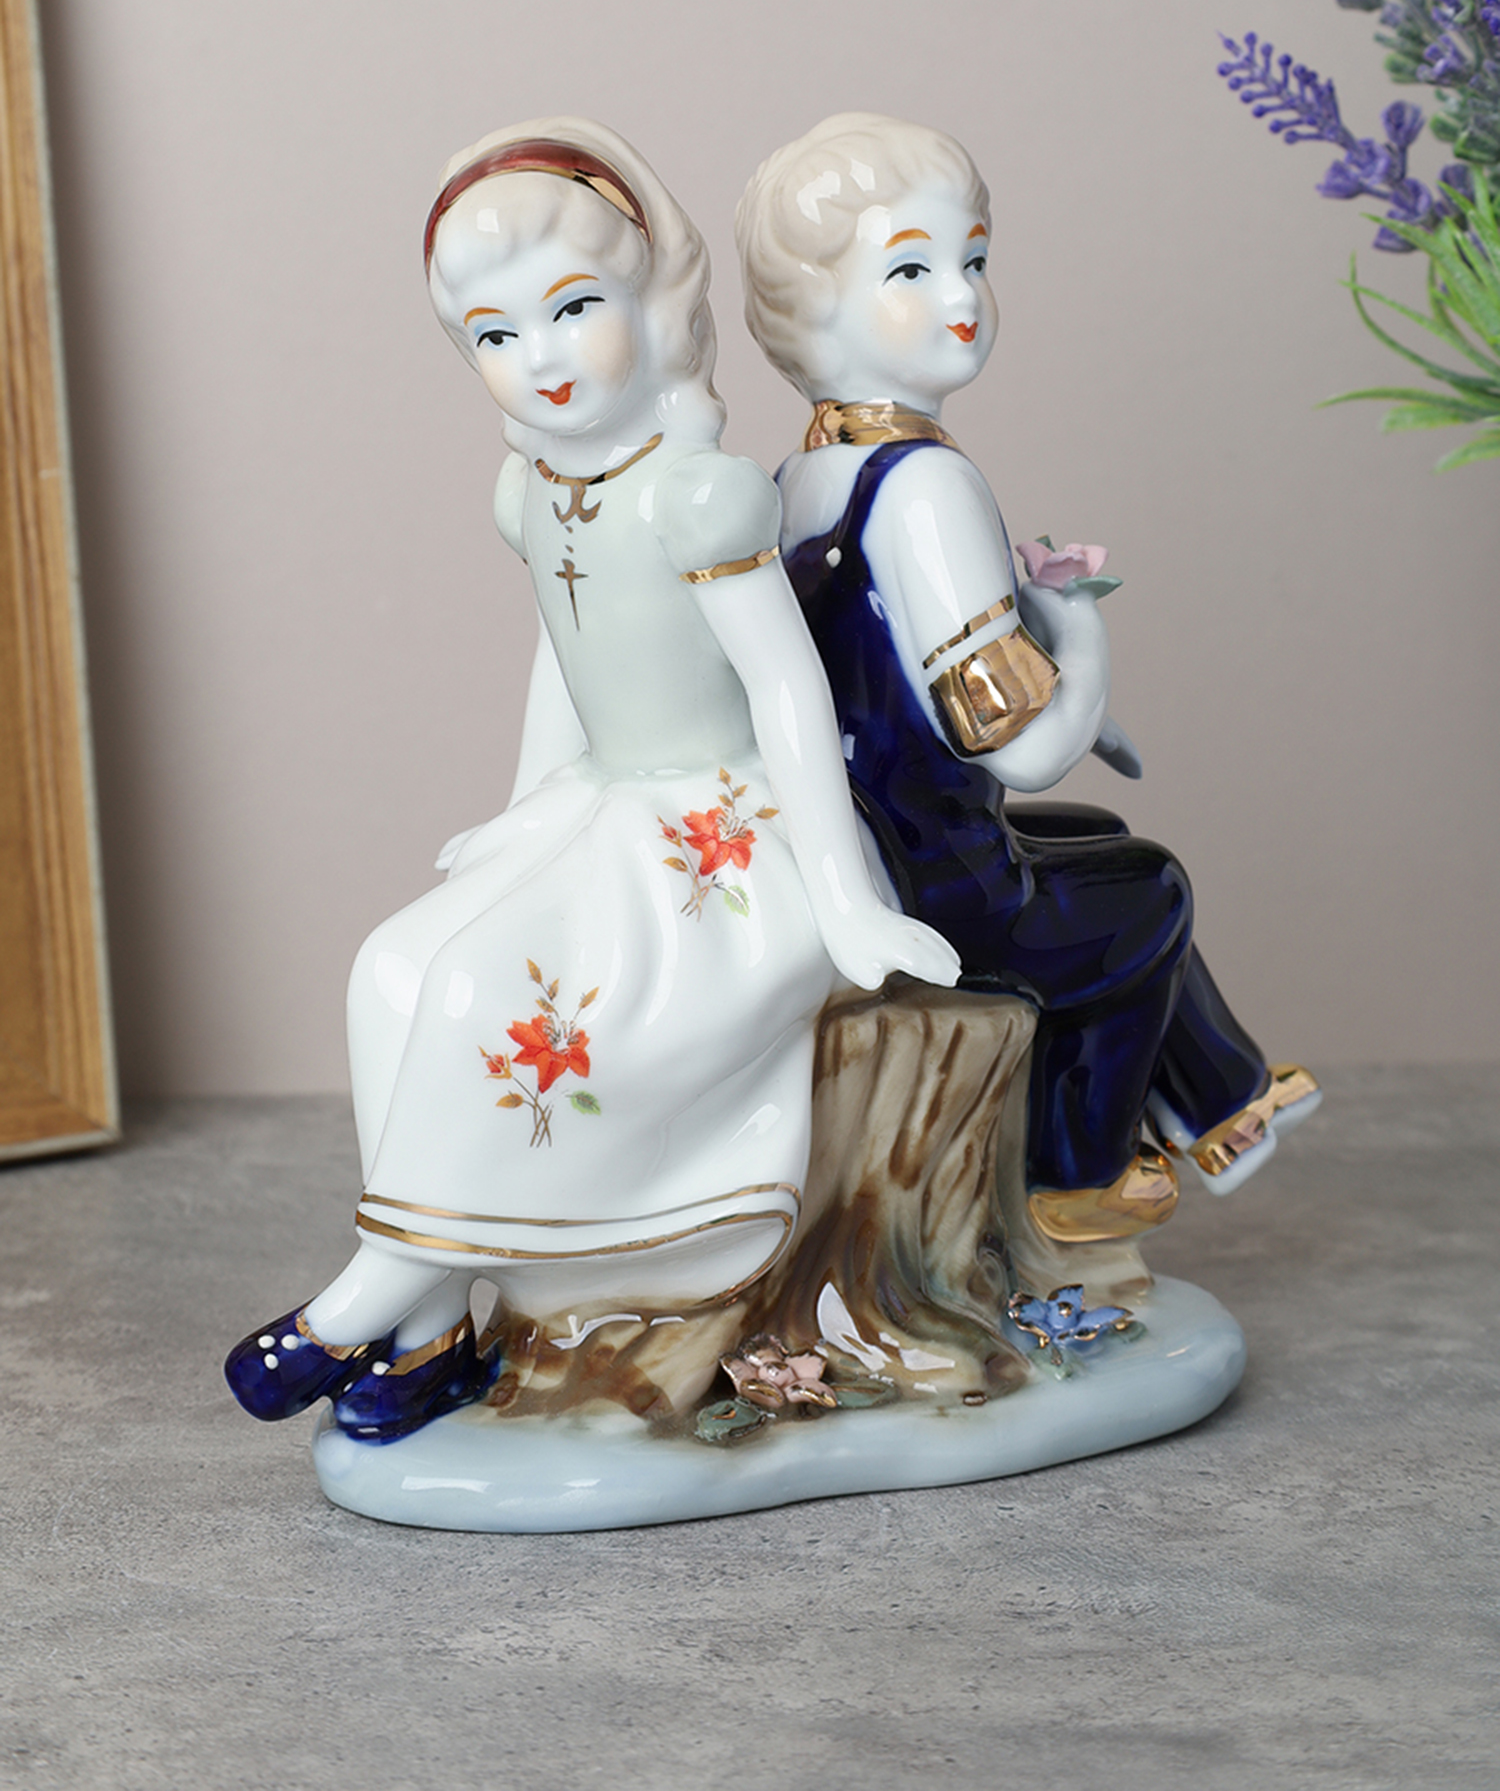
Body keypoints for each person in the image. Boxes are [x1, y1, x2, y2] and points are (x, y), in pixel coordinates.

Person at [225, 119, 957, 1443]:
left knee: (484, 993)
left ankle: (367, 1297)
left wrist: (849, 903)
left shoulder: (700, 496)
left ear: (653, 299)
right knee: (393, 969)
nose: (542, 356)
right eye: (496, 334)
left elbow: (787, 693)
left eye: (573, 309)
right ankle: (430, 1329)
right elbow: (563, 660)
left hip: (727, 838)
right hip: (603, 802)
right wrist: (522, 811)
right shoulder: (534, 490)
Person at [735, 112, 1318, 1246]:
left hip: (862, 840)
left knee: (1096, 836)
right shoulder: (924, 487)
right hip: (934, 883)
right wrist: (1084, 634)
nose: (962, 294)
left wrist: (1092, 719)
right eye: (911, 268)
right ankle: (1081, 1168)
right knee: (1151, 888)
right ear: (812, 305)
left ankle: (1226, 1107)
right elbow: (1023, 748)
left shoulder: (802, 475)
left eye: (974, 258)